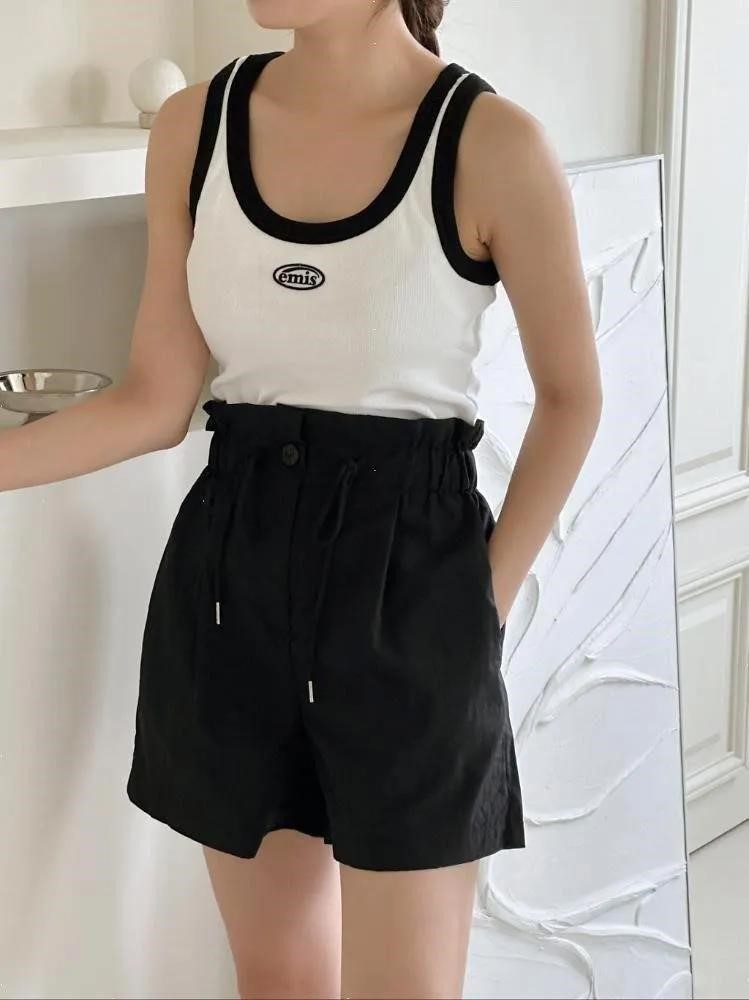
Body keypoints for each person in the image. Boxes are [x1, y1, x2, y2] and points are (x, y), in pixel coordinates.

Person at [1, 1, 603, 997]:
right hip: (231, 574)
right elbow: (155, 398)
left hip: (410, 579)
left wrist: (474, 610)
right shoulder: (193, 127)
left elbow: (572, 396)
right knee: (276, 974)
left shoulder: (490, 144)